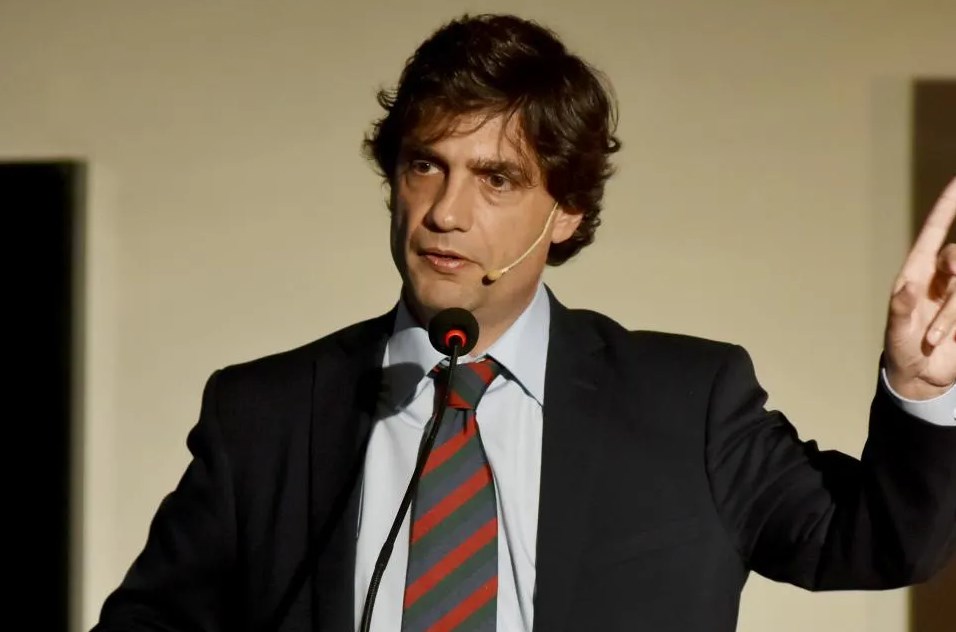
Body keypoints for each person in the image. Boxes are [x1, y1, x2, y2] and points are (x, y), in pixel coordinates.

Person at [92, 13, 956, 632]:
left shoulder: (688, 402)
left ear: (567, 211)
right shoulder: (265, 413)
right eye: (425, 166)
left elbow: (876, 544)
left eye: (496, 179)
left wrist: (919, 388)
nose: (445, 213)